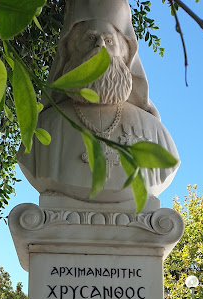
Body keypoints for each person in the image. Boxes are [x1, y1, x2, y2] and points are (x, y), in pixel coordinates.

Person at [17, 0, 180, 205]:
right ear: (72, 48)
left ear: (124, 53)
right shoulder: (45, 128)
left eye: (109, 40)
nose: (99, 45)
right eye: (91, 38)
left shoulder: (154, 133)